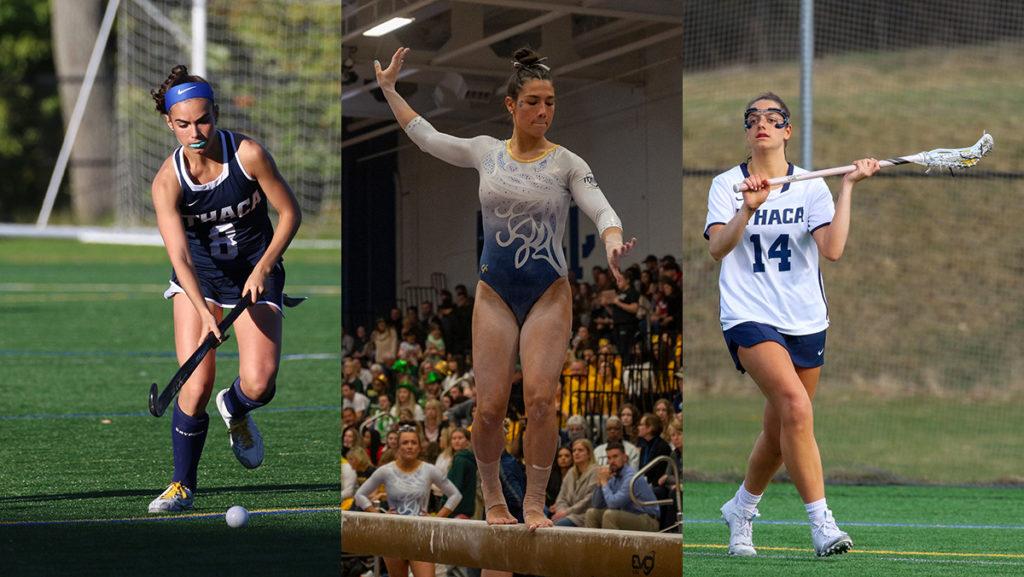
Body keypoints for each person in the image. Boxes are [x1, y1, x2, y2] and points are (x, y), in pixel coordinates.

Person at [374, 46, 635, 529]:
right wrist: (389, 89)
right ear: (511, 106)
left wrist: (613, 242)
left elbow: (601, 208)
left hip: (547, 293)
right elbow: (428, 137)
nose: (543, 111)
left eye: (551, 102)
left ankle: (534, 501)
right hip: (494, 292)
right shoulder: (485, 152)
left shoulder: (566, 163)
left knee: (541, 399)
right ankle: (493, 499)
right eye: (533, 101)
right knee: (490, 409)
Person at [704, 92, 879, 557]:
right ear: (747, 131)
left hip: (805, 318)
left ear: (787, 131)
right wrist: (749, 208)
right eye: (753, 118)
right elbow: (718, 248)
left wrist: (847, 188)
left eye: (773, 117)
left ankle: (741, 510)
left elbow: (833, 250)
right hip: (748, 314)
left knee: (781, 431)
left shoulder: (809, 185)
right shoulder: (727, 184)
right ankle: (823, 525)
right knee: (797, 410)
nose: (762, 123)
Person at [147, 65, 301, 513]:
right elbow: (179, 256)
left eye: (203, 119)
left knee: (261, 382)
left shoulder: (248, 154)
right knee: (195, 384)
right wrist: (204, 311)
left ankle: (235, 407)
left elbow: (289, 214)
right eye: (184, 123)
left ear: (215, 112)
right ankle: (181, 486)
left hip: (257, 269)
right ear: (169, 123)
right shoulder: (168, 181)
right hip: (201, 281)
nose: (195, 132)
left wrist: (264, 267)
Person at [355, 426, 461, 577]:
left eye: (413, 442)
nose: (409, 446)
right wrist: (378, 515)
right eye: (405, 443)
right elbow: (360, 495)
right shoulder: (386, 470)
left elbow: (455, 495)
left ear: (419, 447)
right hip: (393, 533)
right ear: (397, 447)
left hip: (421, 533)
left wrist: (437, 518)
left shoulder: (429, 470)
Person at [584, 442, 659, 532]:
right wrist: (600, 484)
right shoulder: (613, 475)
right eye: (609, 458)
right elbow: (597, 504)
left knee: (610, 515)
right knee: (591, 513)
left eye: (615, 456)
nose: (612, 461)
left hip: (648, 520)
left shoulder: (631, 477)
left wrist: (604, 483)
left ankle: (610, 546)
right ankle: (594, 546)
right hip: (628, 516)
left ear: (625, 458)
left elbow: (613, 504)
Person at [549, 439, 598, 527]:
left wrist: (566, 512)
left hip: (583, 515)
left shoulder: (595, 471)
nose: (576, 453)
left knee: (559, 524)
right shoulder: (571, 472)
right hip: (567, 514)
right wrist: (561, 511)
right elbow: (561, 498)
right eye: (574, 450)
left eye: (580, 450)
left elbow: (588, 500)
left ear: (589, 454)